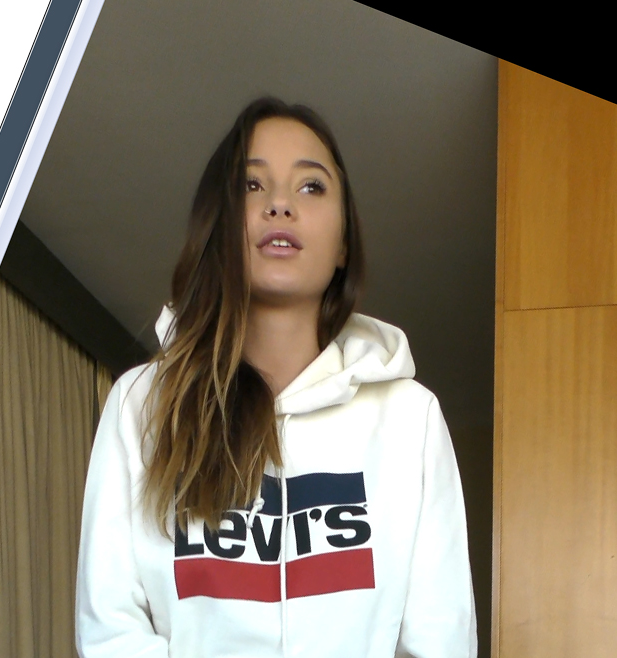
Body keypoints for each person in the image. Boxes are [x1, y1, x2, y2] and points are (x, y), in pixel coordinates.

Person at [75, 97, 477, 658]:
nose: (280, 204)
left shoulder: (411, 417)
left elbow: (439, 639)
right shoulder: (141, 405)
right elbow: (110, 628)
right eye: (251, 185)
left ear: (344, 242)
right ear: (220, 225)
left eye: (311, 186)